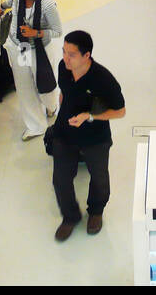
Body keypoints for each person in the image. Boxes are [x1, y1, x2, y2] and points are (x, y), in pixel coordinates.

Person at [49, 29, 125, 240]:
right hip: (65, 133)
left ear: (86, 55)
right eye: (64, 52)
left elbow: (120, 111)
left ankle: (96, 211)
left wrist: (89, 116)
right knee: (60, 179)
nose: (66, 58)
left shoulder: (103, 79)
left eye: (71, 54)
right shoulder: (63, 68)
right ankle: (70, 216)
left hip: (95, 137)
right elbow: (64, 92)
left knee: (99, 178)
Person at [0, 0, 61, 141]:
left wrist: (35, 33)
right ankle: (36, 125)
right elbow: (11, 2)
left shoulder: (47, 2)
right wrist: (2, 6)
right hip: (20, 48)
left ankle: (51, 106)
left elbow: (57, 30)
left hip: (39, 50)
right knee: (24, 87)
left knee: (45, 84)